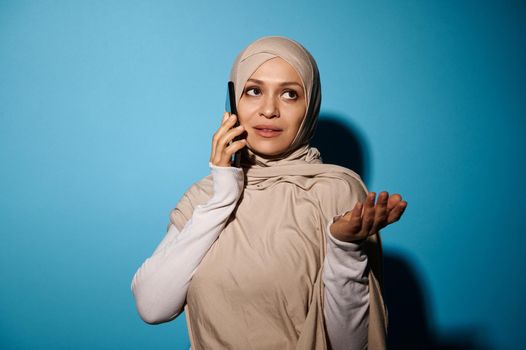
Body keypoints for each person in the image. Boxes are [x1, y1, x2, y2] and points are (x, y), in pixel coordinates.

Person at [131, 36, 407, 350]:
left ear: (310, 106)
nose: (269, 110)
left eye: (289, 94)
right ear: (233, 101)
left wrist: (344, 248)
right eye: (254, 91)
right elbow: (152, 307)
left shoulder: (336, 191)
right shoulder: (206, 194)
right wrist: (224, 195)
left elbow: (350, 344)